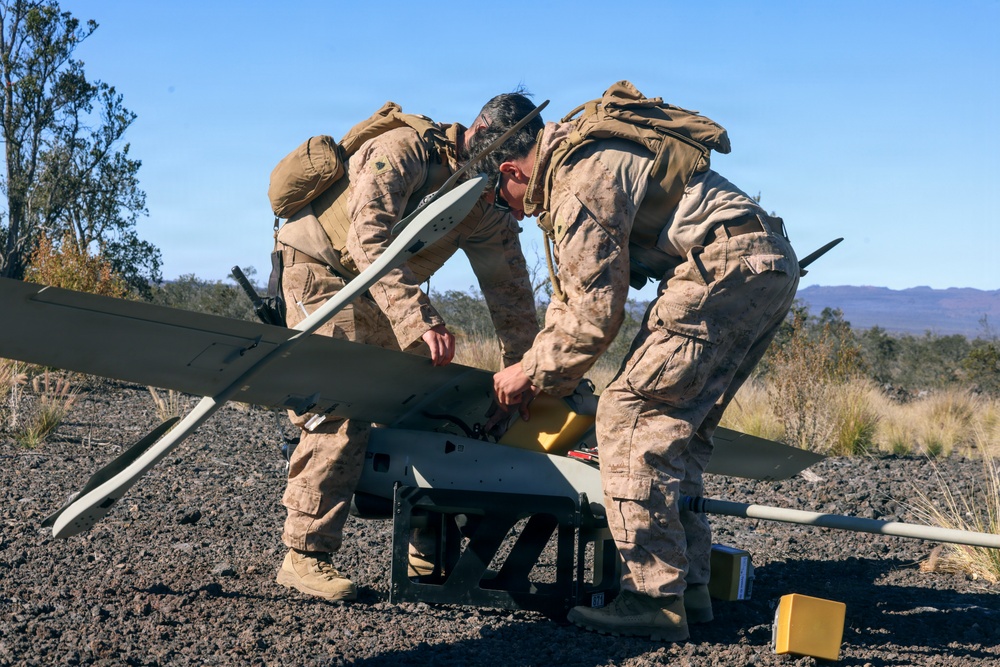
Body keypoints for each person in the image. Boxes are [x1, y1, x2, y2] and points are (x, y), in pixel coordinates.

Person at [476, 81, 799, 640]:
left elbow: (597, 314)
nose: (507, 212)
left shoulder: (578, 179)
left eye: (492, 194)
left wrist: (526, 373)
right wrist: (541, 367)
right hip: (761, 262)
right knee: (677, 429)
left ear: (510, 170)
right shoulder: (582, 158)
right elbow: (573, 298)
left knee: (628, 416)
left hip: (721, 264)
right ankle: (690, 590)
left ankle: (652, 598)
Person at [272, 92, 543, 601]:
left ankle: (426, 551)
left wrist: (526, 374)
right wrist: (417, 317)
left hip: (381, 287)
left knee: (435, 403)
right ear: (495, 150)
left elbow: (512, 300)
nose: (526, 198)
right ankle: (305, 555)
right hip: (322, 271)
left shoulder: (489, 204)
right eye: (524, 178)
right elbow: (366, 239)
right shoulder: (405, 150)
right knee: (340, 400)